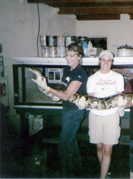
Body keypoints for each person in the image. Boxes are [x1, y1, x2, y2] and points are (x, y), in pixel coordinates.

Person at [32, 43, 88, 177]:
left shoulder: (79, 73)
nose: (68, 58)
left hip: (75, 112)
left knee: (63, 146)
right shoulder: (67, 69)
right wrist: (53, 94)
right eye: (67, 55)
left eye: (72, 56)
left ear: (79, 57)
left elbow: (66, 95)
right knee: (71, 142)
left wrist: (45, 87)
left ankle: (67, 175)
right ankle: (78, 173)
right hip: (67, 109)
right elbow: (63, 91)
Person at [86, 50, 125, 178]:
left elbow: (120, 98)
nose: (106, 63)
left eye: (109, 60)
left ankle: (102, 177)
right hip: (95, 116)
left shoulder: (118, 78)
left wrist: (122, 106)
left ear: (112, 62)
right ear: (99, 61)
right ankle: (105, 170)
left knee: (107, 150)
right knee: (99, 147)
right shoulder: (92, 79)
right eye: (104, 60)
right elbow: (90, 99)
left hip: (111, 116)